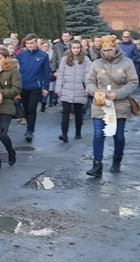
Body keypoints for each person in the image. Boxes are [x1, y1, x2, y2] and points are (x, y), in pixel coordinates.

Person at [85, 35, 139, 178]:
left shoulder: (127, 63)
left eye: (110, 49)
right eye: (104, 50)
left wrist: (118, 94)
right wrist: (94, 92)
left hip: (119, 104)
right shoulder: (96, 63)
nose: (107, 52)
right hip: (100, 104)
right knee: (98, 134)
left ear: (116, 48)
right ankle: (97, 164)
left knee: (118, 135)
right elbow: (89, 81)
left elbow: (133, 82)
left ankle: (117, 159)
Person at [16, 33, 51, 142]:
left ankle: (30, 130)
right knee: (25, 108)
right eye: (28, 43)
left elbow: (46, 72)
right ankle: (27, 122)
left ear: (36, 43)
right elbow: (16, 70)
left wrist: (46, 87)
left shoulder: (43, 56)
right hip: (23, 86)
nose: (30, 45)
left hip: (36, 86)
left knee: (32, 107)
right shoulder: (21, 55)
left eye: (32, 43)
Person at [55, 40, 91, 142]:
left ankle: (78, 131)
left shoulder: (85, 60)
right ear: (70, 49)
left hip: (80, 89)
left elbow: (88, 75)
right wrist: (58, 88)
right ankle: (64, 134)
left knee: (78, 113)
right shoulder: (64, 59)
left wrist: (87, 88)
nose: (76, 50)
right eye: (74, 48)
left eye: (78, 48)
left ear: (81, 48)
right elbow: (61, 74)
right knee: (65, 112)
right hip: (66, 89)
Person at [40, 39, 59, 111]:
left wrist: (53, 70)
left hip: (50, 71)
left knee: (50, 87)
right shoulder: (39, 53)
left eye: (46, 46)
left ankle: (50, 100)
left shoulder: (52, 53)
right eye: (43, 46)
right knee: (42, 87)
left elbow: (54, 61)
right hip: (41, 72)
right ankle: (43, 102)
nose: (45, 48)